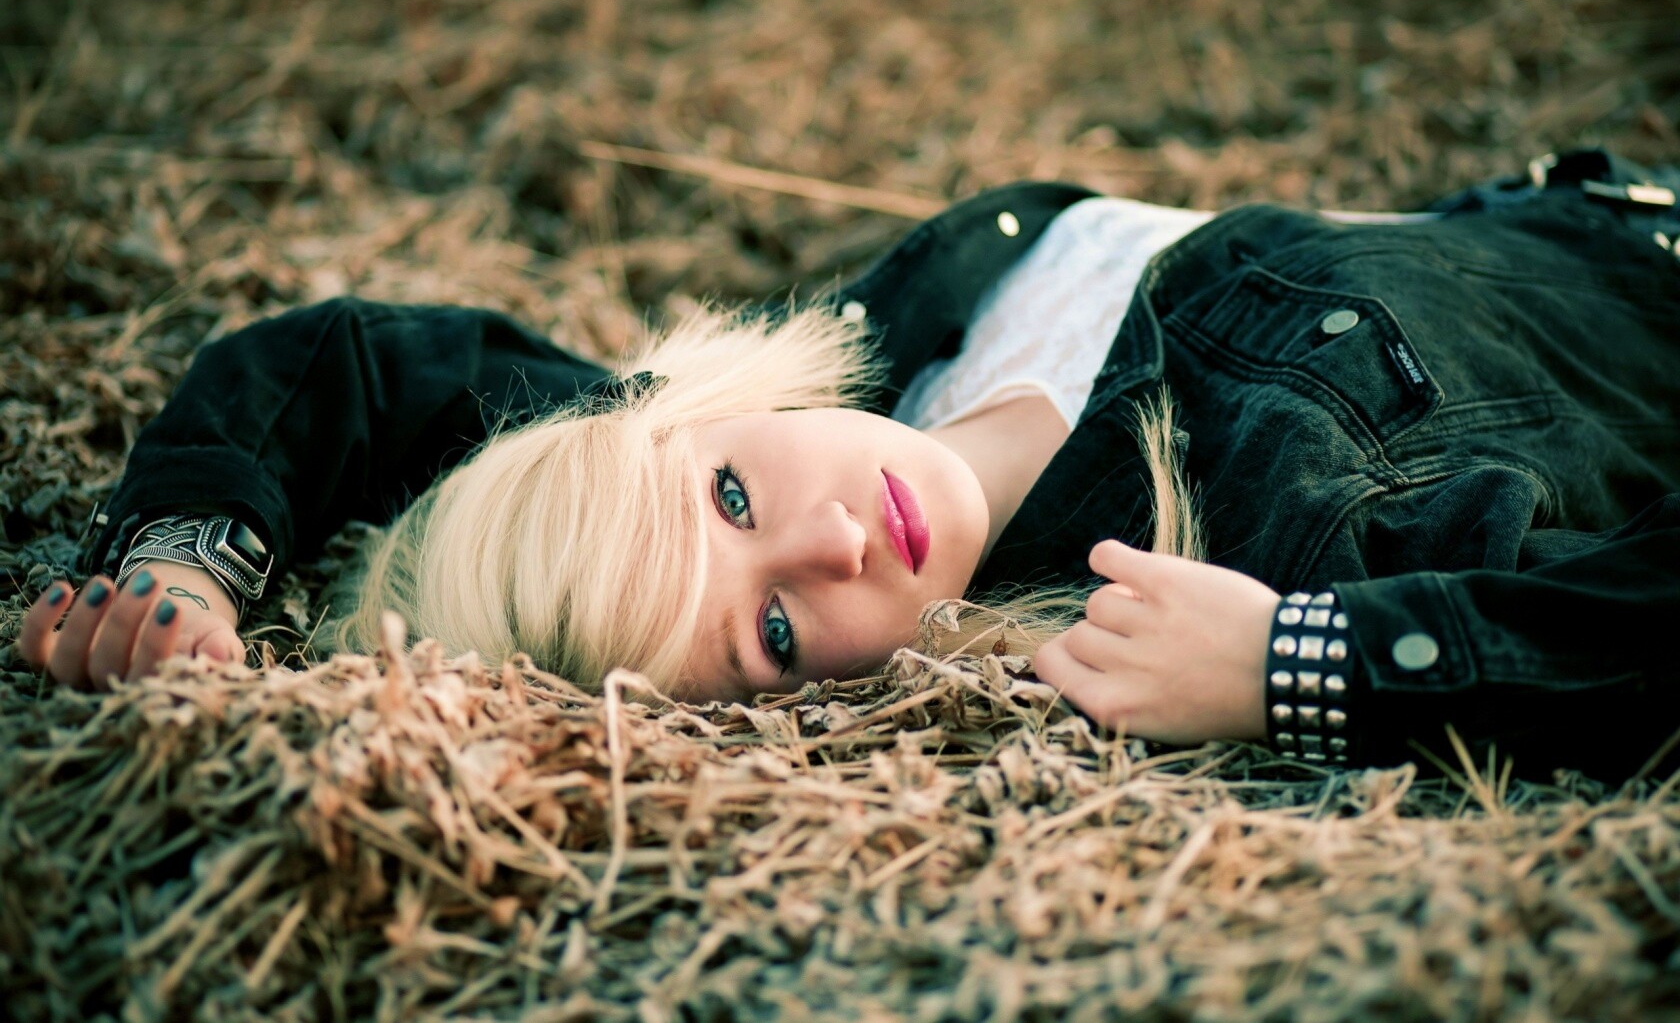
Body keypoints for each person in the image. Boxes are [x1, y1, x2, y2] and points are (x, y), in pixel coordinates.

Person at [14, 150, 1680, 782]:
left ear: (680, 409)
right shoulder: (1277, 531)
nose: (827, 545)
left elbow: (352, 370)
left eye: (730, 499)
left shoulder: (861, 372)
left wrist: (180, 565)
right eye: (773, 633)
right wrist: (1302, 662)